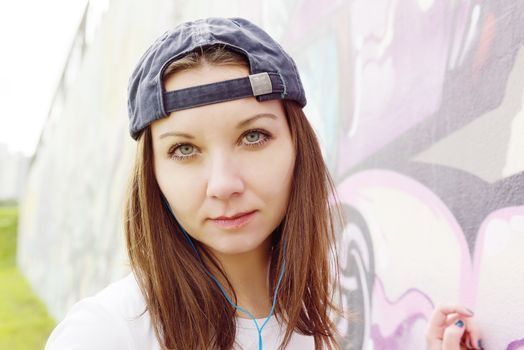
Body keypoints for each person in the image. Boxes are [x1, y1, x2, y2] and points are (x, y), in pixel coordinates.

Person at [45, 17, 481, 350]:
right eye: (184, 150)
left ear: (298, 148)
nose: (223, 183)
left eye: (253, 136)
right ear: (153, 173)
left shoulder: (319, 316)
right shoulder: (104, 333)